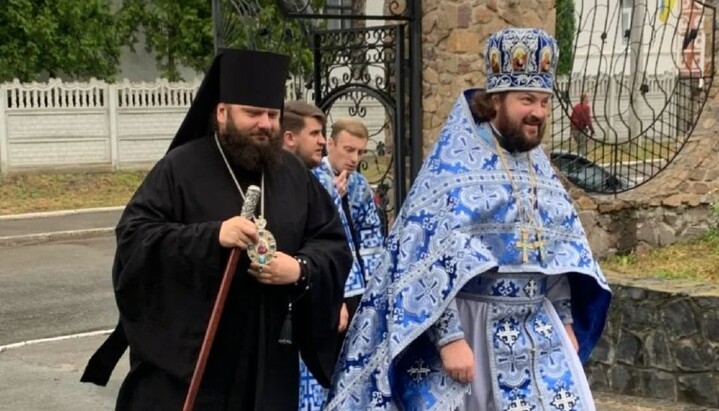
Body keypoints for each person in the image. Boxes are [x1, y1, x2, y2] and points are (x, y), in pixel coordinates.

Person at [325, 28, 612, 411]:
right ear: (496, 100)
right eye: (527, 100)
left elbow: (561, 252)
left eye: (544, 101)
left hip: (540, 332)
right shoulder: (455, 163)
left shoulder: (538, 167)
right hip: (474, 328)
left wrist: (567, 321)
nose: (538, 113)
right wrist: (449, 339)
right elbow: (424, 258)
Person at [80, 49, 353, 411]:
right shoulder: (179, 168)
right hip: (193, 363)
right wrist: (212, 237)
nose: (265, 124)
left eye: (272, 115)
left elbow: (331, 243)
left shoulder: (292, 174)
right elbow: (134, 239)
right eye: (252, 113)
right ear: (222, 113)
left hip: (271, 360)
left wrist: (300, 269)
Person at [282, 107, 385, 410]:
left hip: (355, 286)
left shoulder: (359, 185)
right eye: (348, 149)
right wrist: (336, 294)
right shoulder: (314, 178)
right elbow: (326, 244)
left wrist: (373, 285)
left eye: (360, 152)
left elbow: (370, 238)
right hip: (324, 284)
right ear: (332, 144)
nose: (354, 158)